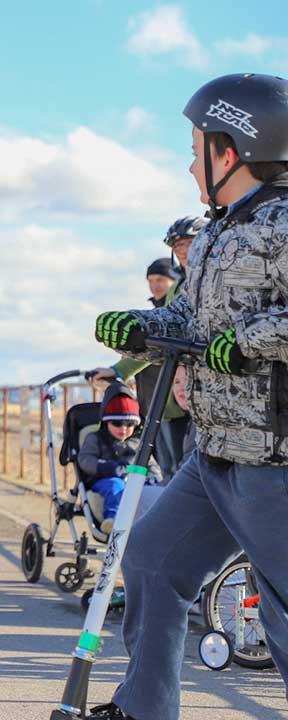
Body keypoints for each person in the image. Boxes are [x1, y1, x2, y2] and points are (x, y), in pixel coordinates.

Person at [90, 73, 288, 720]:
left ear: (229, 150)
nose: (188, 158)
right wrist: (145, 329)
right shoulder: (215, 231)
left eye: (197, 142)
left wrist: (251, 342)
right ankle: (144, 708)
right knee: (150, 562)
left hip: (274, 460)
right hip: (216, 451)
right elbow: (193, 327)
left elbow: (254, 332)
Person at [91, 221, 206, 481]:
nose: (183, 250)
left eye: (188, 243)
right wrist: (119, 368)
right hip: (165, 397)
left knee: (186, 472)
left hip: (195, 397)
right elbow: (164, 334)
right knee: (170, 472)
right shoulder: (181, 289)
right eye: (178, 246)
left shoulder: (209, 281)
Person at [76, 383, 161, 535]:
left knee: (151, 489)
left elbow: (151, 463)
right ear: (106, 422)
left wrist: (155, 476)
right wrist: (105, 466)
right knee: (116, 486)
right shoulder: (96, 438)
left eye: (129, 424)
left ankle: (149, 521)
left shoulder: (138, 443)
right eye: (117, 423)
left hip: (134, 480)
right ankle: (112, 520)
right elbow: (85, 460)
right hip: (104, 480)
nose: (123, 429)